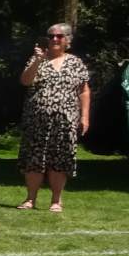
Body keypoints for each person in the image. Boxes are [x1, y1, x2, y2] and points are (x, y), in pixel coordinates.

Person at [18, 23, 92, 213]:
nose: (54, 39)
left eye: (59, 36)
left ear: (68, 40)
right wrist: (37, 60)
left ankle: (56, 201)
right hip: (36, 119)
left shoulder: (76, 62)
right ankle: (30, 199)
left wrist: (85, 117)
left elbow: (84, 91)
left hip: (66, 120)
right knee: (34, 158)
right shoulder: (37, 59)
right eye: (51, 36)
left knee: (60, 159)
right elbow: (25, 81)